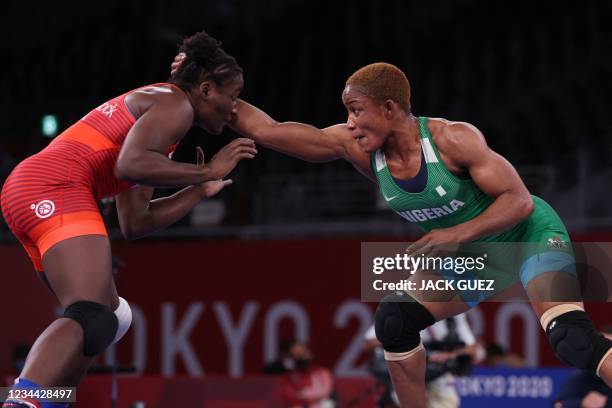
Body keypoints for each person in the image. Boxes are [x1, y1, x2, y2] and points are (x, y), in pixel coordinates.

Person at [172, 54, 612, 407]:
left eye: (355, 110)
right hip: (479, 254)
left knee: (570, 340)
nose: (349, 123)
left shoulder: (452, 140)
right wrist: (205, 84)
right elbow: (268, 130)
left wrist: (455, 235)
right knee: (394, 321)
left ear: (388, 108)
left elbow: (518, 201)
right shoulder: (358, 148)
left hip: (528, 230)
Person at [0, 31, 256, 408]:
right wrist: (204, 172)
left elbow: (135, 222)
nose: (234, 109)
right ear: (204, 89)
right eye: (231, 97)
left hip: (33, 189)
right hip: (54, 184)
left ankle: (52, 401)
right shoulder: (174, 104)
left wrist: (196, 193)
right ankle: (20, 401)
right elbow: (130, 163)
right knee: (89, 312)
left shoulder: (160, 128)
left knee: (107, 319)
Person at [364, 313, 484, 408]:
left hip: (440, 377)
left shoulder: (453, 315)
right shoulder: (400, 308)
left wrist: (450, 355)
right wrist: (406, 340)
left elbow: (472, 349)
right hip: (407, 375)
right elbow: (369, 343)